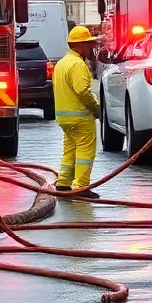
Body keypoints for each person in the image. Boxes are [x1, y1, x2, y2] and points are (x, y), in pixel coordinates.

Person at [52, 25, 101, 198]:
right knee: (85, 152)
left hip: (64, 119)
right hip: (80, 118)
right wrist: (95, 108)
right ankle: (80, 186)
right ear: (79, 45)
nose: (90, 48)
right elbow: (82, 91)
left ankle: (63, 183)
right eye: (88, 44)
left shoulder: (61, 64)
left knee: (70, 149)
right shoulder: (77, 65)